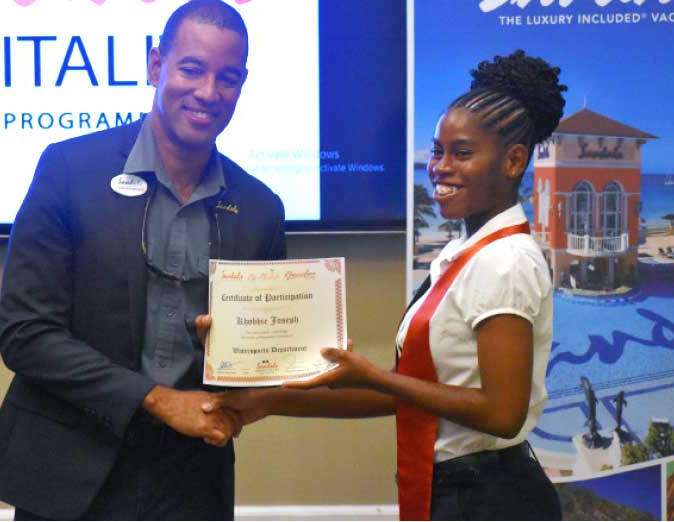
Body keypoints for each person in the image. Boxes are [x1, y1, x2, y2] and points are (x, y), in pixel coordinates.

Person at [202, 50, 566, 520]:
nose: (440, 167)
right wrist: (269, 400)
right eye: (437, 151)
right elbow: (407, 396)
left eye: (462, 153)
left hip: (490, 501)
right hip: (458, 492)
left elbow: (501, 413)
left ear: (515, 160)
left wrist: (373, 374)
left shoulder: (505, 261)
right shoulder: (465, 254)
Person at [0, 1, 286, 519]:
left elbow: (263, 355)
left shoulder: (259, 208)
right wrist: (156, 398)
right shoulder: (70, 168)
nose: (209, 93)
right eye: (191, 69)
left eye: (227, 78)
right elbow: (26, 335)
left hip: (191, 480)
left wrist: (254, 363)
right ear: (156, 66)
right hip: (68, 470)